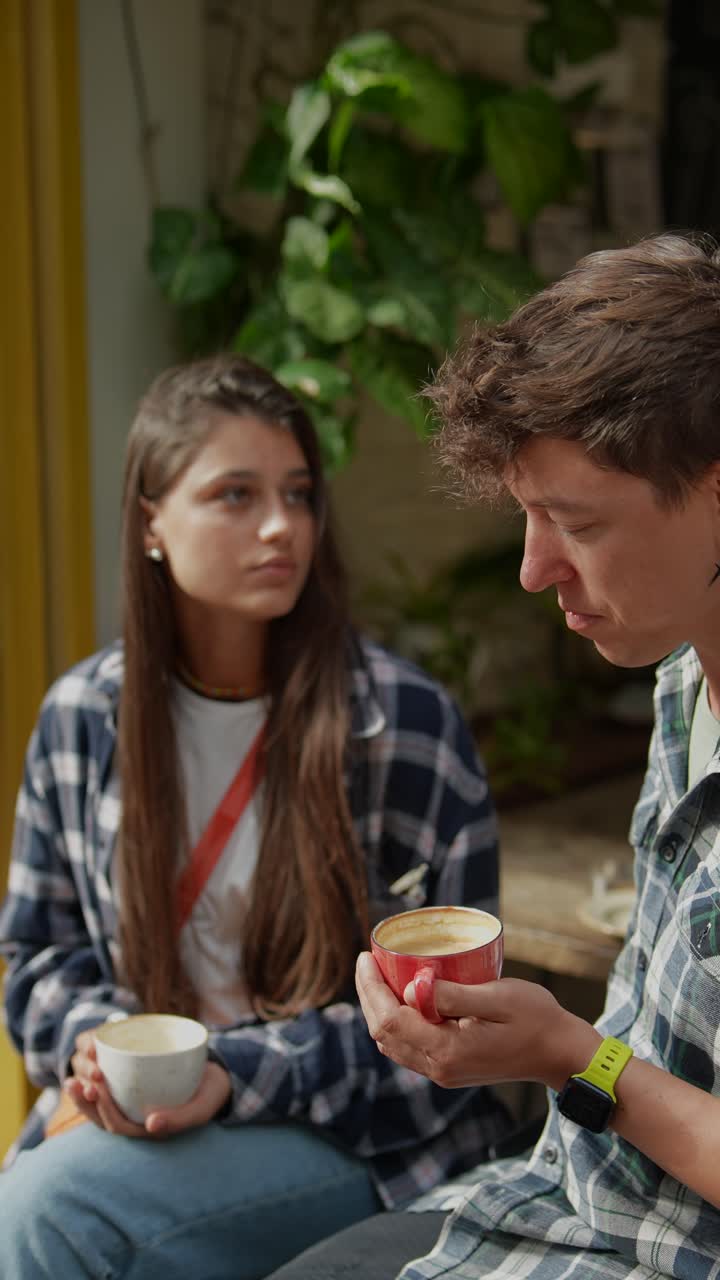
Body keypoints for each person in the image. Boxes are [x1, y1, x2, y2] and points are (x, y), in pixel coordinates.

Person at [263, 231, 720, 1280]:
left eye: (574, 521)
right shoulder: (683, 686)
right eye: (527, 516)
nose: (531, 569)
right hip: (571, 1193)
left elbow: (607, 1061)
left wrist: (572, 1053)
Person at [0, 354, 510, 1280]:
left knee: (51, 1209)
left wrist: (229, 1073)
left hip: (358, 1138)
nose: (281, 526)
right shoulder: (83, 718)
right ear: (152, 521)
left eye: (298, 493)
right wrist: (99, 1051)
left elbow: (445, 1026)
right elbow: (36, 956)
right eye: (234, 495)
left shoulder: (400, 727)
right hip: (138, 1121)